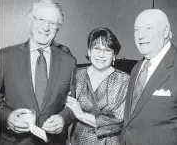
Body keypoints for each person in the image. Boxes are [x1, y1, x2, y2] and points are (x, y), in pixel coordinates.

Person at [0, 0, 76, 145]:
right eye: (40, 19)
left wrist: (63, 118)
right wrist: (7, 116)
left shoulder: (69, 61)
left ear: (58, 28)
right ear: (30, 21)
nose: (45, 27)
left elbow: (74, 103)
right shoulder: (4, 57)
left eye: (52, 23)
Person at [122, 9, 177, 145]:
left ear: (165, 31)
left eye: (148, 28)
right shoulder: (137, 68)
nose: (141, 35)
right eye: (137, 29)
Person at [66, 27, 130, 145]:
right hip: (78, 140)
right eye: (96, 49)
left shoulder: (124, 80)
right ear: (89, 52)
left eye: (107, 50)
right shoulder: (76, 75)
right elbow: (66, 107)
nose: (101, 55)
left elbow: (118, 121)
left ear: (114, 55)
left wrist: (81, 115)